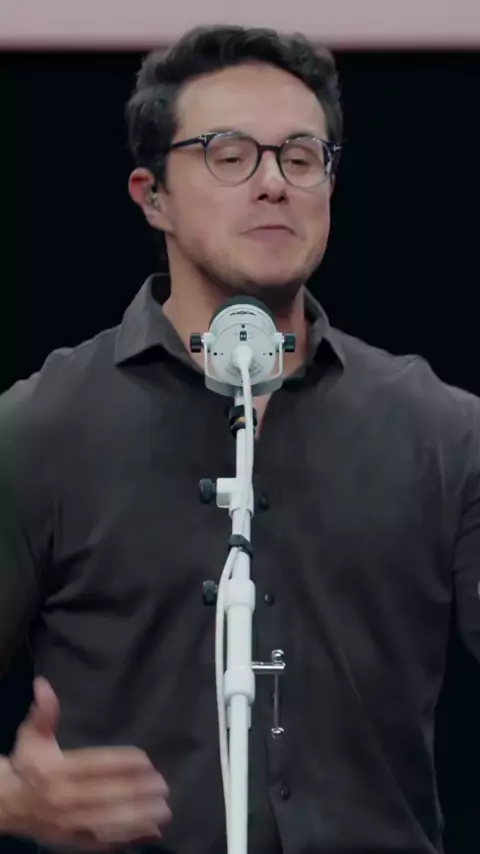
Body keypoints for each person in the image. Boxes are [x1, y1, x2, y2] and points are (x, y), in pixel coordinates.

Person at [0, 22, 479, 854]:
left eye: (301, 157)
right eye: (230, 155)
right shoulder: (42, 428)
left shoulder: (441, 429)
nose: (274, 184)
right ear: (152, 195)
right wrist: (10, 801)